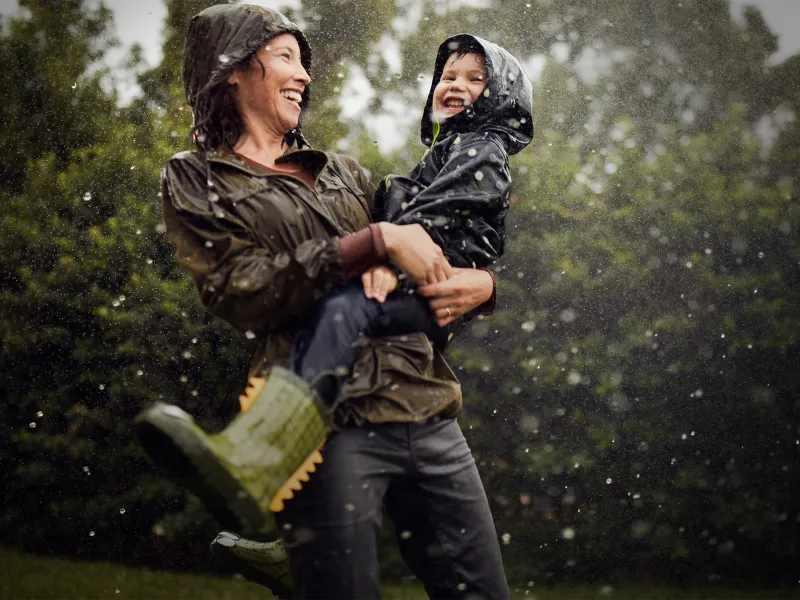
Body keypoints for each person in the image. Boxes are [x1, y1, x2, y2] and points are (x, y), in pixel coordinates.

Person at [134, 4, 511, 598]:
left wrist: (486, 287)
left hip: (430, 411)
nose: (305, 74)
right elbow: (242, 292)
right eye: (286, 56)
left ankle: (290, 556)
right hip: (330, 435)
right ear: (233, 69)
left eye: (303, 61)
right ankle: (285, 528)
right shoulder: (198, 177)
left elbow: (432, 237)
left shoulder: (345, 173)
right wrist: (370, 243)